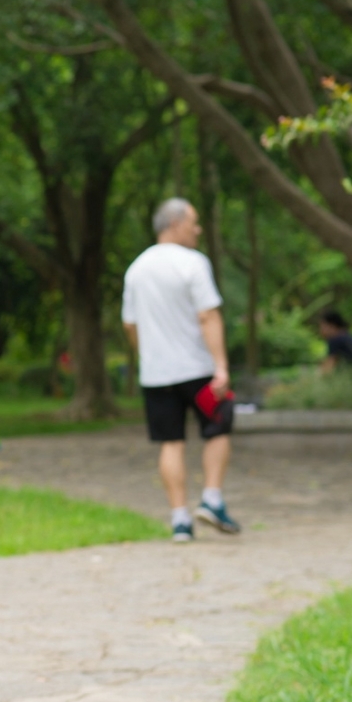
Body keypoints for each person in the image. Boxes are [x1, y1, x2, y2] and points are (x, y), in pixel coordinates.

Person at [121, 198, 239, 542]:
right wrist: (221, 366)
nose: (198, 230)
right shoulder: (193, 263)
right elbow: (208, 315)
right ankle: (212, 499)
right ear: (175, 224)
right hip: (199, 371)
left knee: (170, 442)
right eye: (193, 223)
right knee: (217, 428)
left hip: (156, 375)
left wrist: (147, 356)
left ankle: (179, 521)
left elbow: (129, 324)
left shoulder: (136, 269)